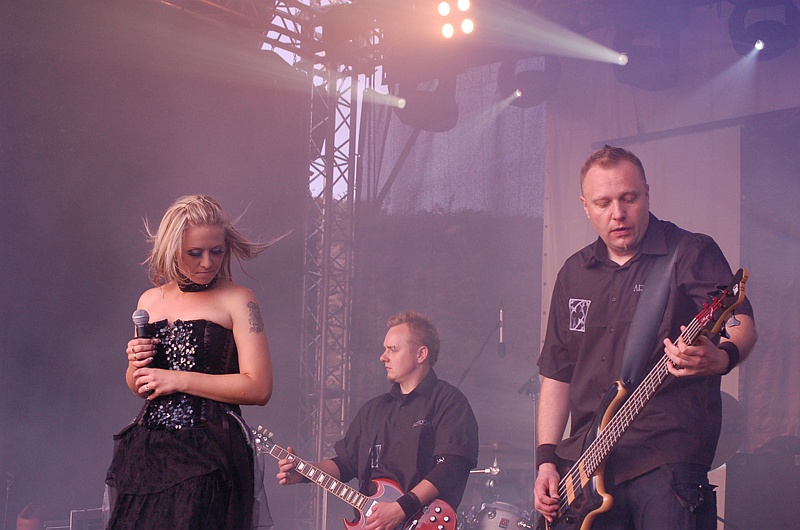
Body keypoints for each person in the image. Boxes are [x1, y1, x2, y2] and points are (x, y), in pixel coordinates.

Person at [533, 146, 758, 530]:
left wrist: (724, 358)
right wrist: (546, 460)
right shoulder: (573, 273)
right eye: (603, 203)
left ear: (647, 194)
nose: (617, 213)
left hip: (665, 459)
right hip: (585, 467)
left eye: (629, 198)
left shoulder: (689, 252)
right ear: (585, 207)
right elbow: (557, 374)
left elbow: (738, 317)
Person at [105, 195, 279, 530]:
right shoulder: (150, 300)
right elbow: (141, 387)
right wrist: (134, 365)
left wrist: (179, 379)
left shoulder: (240, 300)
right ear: (172, 250)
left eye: (217, 251)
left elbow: (259, 387)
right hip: (149, 450)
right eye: (194, 253)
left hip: (211, 451)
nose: (207, 262)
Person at [277, 311, 479, 530]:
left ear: (421, 354)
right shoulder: (373, 410)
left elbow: (451, 466)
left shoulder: (449, 401)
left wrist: (402, 508)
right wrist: (304, 471)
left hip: (422, 522)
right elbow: (346, 463)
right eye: (384, 349)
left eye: (392, 349)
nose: (383, 357)